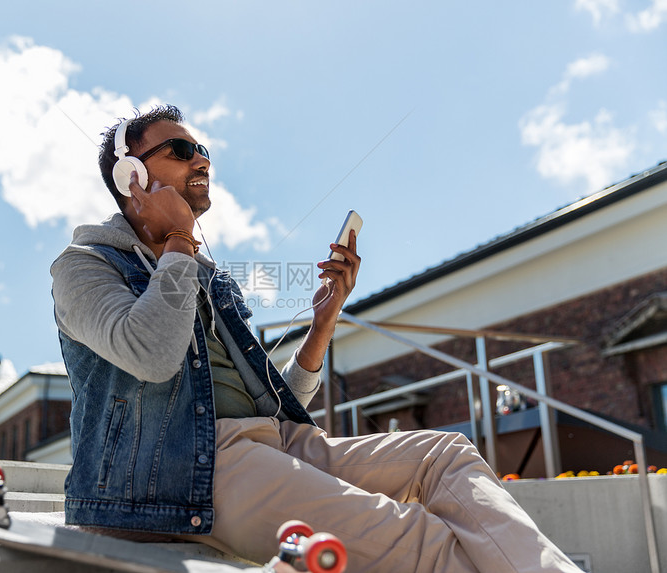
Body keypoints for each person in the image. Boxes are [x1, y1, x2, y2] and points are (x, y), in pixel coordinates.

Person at [51, 105, 582, 572]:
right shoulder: (84, 267)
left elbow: (274, 407)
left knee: (446, 454)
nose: (202, 161)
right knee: (420, 540)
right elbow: (153, 355)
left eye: (204, 150)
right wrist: (179, 240)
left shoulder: (204, 274)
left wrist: (323, 323)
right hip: (187, 466)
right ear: (130, 175)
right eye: (182, 149)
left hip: (268, 444)